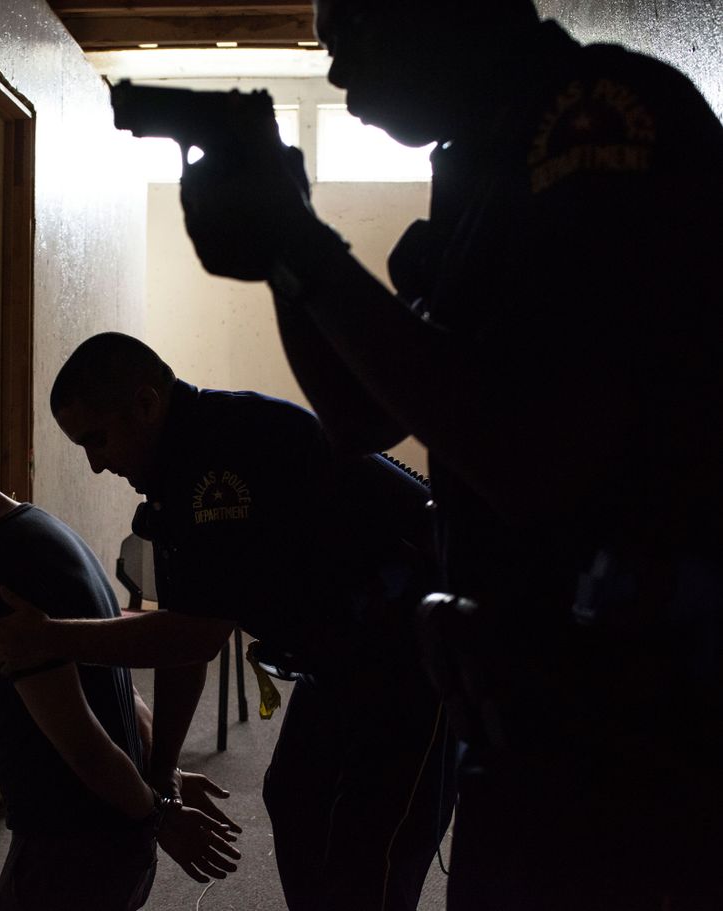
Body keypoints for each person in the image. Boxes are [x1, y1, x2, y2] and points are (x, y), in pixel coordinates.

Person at [176, 0, 723, 907]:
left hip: (647, 730)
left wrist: (305, 248)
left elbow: (532, 457)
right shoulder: (479, 158)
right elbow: (362, 417)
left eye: (351, 41)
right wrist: (281, 248)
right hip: (537, 721)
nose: (342, 79)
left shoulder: (595, 118)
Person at [0, 333, 455, 910]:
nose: (96, 463)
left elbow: (193, 635)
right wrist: (160, 779)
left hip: (415, 655)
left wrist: (50, 637)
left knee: (369, 850)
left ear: (147, 403)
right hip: (339, 655)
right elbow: (186, 644)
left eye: (97, 439)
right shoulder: (175, 473)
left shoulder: (229, 456)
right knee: (296, 800)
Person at [0, 429, 237, 911]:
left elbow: (80, 741)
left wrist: (160, 816)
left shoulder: (3, 577)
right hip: (115, 835)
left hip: (71, 847)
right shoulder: (50, 532)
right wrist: (158, 780)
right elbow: (120, 689)